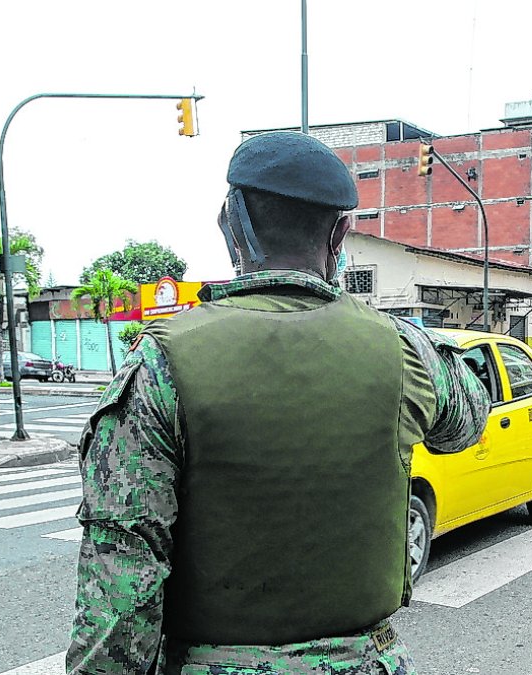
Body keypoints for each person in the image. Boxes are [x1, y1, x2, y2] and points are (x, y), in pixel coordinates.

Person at [67, 131, 491, 675]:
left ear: (230, 224)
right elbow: (465, 423)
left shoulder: (161, 362)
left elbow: (121, 587)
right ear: (340, 233)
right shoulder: (402, 348)